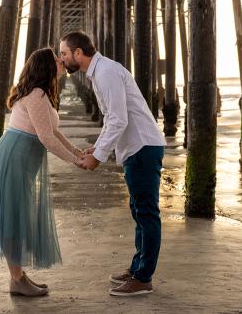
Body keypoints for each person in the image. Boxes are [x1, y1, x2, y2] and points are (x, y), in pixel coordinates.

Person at [59, 32, 167, 296]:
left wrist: (97, 158)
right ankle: (137, 268)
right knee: (138, 212)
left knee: (146, 214)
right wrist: (98, 145)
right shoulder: (99, 73)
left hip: (142, 146)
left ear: (78, 53)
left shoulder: (106, 72)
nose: (61, 59)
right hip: (136, 148)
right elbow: (111, 118)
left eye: (63, 53)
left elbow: (119, 119)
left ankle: (143, 278)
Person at [0, 48, 83, 297]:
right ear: (46, 67)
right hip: (13, 160)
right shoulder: (36, 95)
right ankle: (17, 279)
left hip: (18, 159)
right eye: (57, 58)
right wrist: (74, 161)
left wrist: (76, 150)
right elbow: (46, 138)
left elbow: (53, 131)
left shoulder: (41, 94)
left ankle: (19, 277)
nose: (62, 60)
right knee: (12, 218)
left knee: (16, 216)